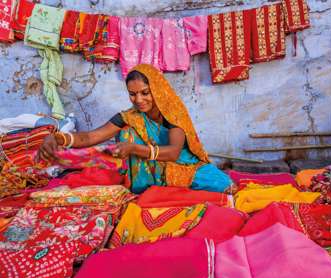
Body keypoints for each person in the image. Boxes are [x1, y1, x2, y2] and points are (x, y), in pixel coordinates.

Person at [38, 64, 233, 194]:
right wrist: (58, 138)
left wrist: (133, 149)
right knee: (127, 131)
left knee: (225, 186)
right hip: (149, 172)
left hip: (181, 165)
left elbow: (174, 153)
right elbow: (91, 136)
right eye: (132, 94)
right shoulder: (130, 116)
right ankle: (143, 186)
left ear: (156, 90)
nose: (139, 100)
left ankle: (163, 185)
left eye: (145, 93)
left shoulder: (172, 112)